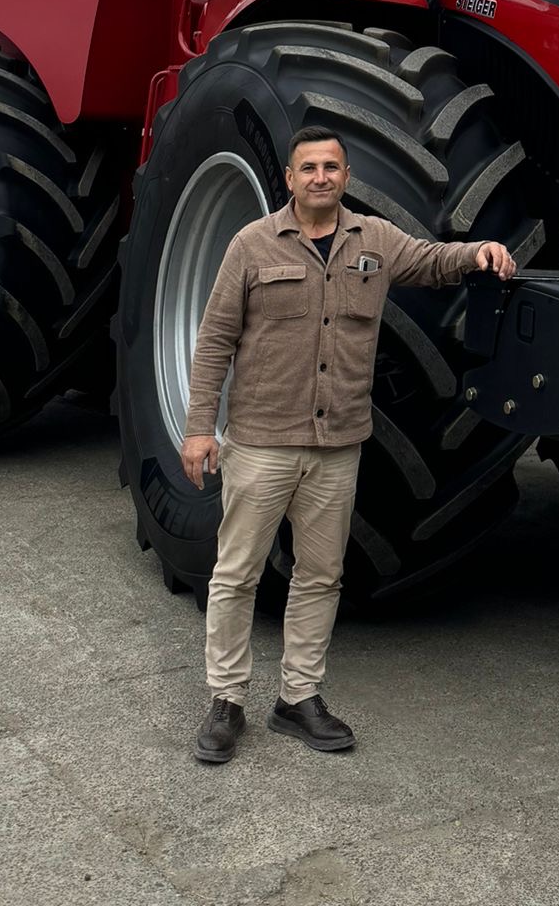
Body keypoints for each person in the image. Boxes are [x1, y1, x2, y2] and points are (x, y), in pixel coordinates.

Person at [181, 124, 518, 764]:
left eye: (331, 167)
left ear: (345, 176)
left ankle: (298, 697)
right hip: (262, 443)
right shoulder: (252, 244)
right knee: (237, 574)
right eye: (308, 168)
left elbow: (431, 260)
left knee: (320, 576)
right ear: (290, 178)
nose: (320, 178)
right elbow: (215, 339)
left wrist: (479, 251)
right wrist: (200, 427)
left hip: (337, 446)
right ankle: (226, 701)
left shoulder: (375, 239)